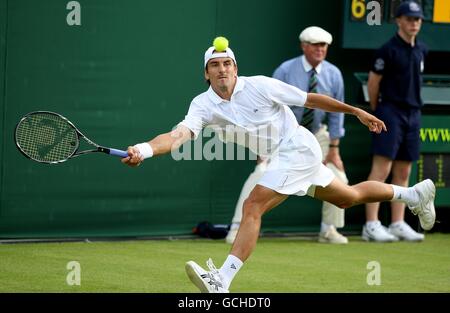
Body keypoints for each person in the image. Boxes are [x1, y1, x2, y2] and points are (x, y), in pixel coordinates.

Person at [121, 38, 436, 293]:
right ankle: (413, 195)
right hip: (284, 156)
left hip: (298, 146)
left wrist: (357, 111)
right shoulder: (202, 105)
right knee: (348, 197)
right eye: (214, 66)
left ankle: (222, 281)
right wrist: (144, 150)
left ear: (235, 68)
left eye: (226, 64)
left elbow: (311, 99)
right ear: (206, 74)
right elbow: (177, 136)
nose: (221, 70)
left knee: (253, 205)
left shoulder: (260, 85)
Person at [225, 26, 349, 245]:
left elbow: (336, 116)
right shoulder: (285, 70)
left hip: (318, 135)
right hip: (282, 136)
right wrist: (263, 148)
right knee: (260, 172)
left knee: (339, 177)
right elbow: (267, 108)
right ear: (304, 46)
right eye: (315, 45)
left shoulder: (334, 74)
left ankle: (328, 229)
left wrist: (334, 149)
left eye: (324, 46)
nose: (320, 49)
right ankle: (237, 226)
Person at [362, 1, 429, 242]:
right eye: (410, 19)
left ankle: (398, 222)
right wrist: (377, 111)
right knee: (382, 169)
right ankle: (371, 224)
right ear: (398, 21)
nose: (414, 23)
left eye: (418, 19)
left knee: (404, 170)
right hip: (389, 111)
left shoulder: (422, 49)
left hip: (413, 114)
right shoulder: (386, 50)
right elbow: (373, 83)